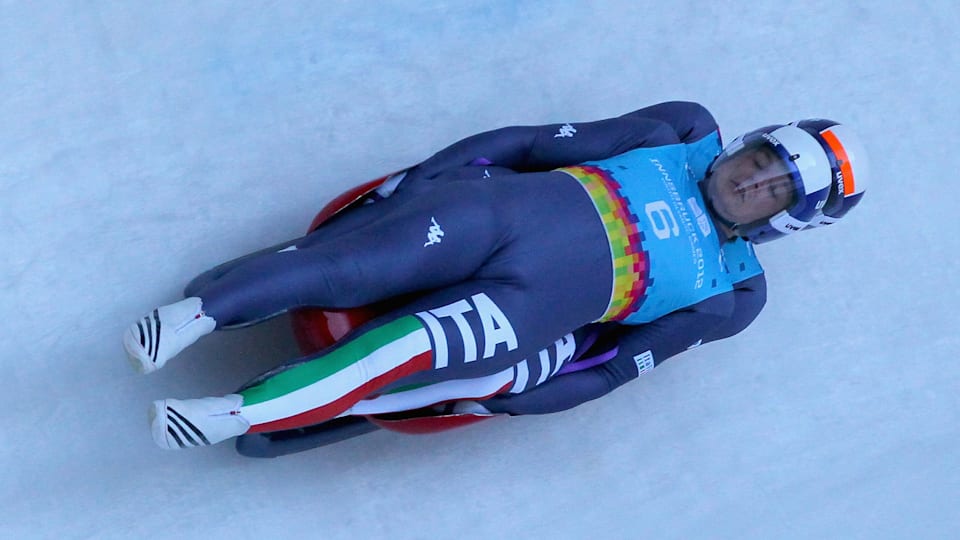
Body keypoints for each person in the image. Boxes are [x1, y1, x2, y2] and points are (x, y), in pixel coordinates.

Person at [124, 101, 868, 450]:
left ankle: (236, 414)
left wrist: (518, 403)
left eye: (774, 190)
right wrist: (424, 180)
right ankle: (196, 315)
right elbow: (532, 140)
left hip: (529, 309)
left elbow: (614, 367)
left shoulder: (736, 294)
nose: (751, 182)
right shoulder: (680, 130)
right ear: (751, 141)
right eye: (761, 161)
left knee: (399, 351)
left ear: (785, 222)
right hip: (499, 214)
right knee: (356, 264)